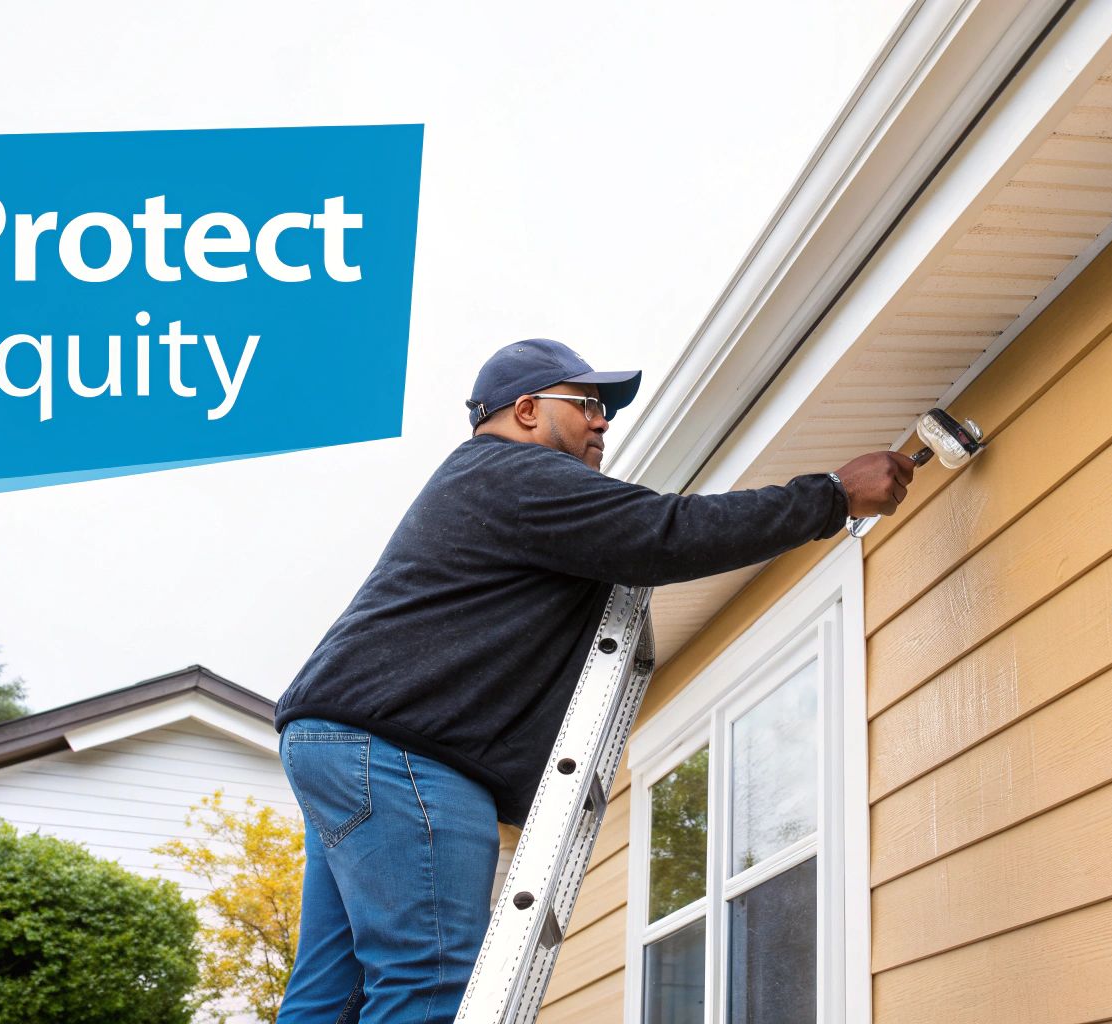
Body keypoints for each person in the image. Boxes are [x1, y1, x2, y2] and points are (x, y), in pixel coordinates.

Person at [272, 338, 915, 1022]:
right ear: (525, 410)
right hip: (403, 754)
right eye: (587, 405)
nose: (603, 421)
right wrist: (832, 496)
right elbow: (664, 532)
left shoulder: (484, 486)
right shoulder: (513, 475)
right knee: (429, 983)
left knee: (330, 994)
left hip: (345, 745)